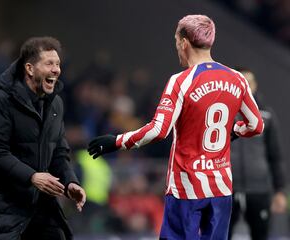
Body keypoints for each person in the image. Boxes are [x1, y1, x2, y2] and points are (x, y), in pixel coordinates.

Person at [88, 15, 264, 239]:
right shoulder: (237, 79)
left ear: (184, 42)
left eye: (176, 43)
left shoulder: (181, 81)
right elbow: (256, 125)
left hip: (186, 188)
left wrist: (116, 141)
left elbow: (159, 130)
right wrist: (233, 132)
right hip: (221, 188)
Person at [0, 36, 86, 240]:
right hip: (3, 209)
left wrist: (70, 182)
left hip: (39, 207)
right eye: (49, 63)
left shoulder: (55, 105)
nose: (56, 70)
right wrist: (32, 177)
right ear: (30, 69)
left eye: (58, 64)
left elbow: (59, 152)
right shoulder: (0, 103)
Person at [229, 68, 287, 240]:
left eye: (250, 82)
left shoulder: (267, 115)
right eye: (242, 82)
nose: (246, 86)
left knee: (261, 236)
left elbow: (275, 155)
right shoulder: (223, 113)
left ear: (255, 85)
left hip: (259, 189)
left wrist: (279, 190)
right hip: (226, 189)